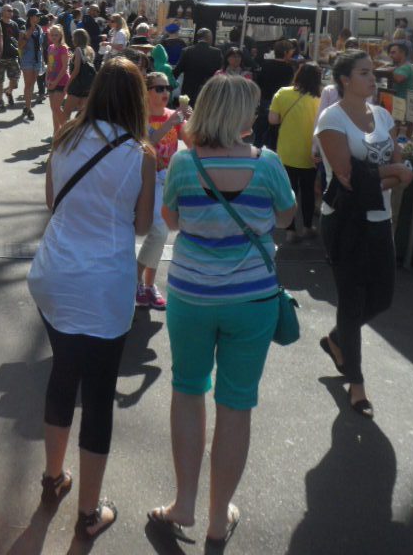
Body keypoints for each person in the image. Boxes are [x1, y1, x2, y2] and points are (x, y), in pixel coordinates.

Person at [148, 75, 296, 547]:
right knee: (236, 404)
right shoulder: (268, 164)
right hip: (252, 301)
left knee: (188, 391)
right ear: (237, 116)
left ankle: (184, 504)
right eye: (251, 108)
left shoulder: (185, 165)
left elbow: (171, 221)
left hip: (191, 296)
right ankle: (217, 517)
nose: (255, 116)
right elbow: (286, 217)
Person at [27, 58, 156, 541]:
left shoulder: (64, 138)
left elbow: (50, 201)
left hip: (54, 274)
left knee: (63, 373)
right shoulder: (139, 154)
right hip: (104, 284)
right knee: (99, 396)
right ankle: (87, 512)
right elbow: (142, 226)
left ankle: (53, 477)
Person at [314, 50, 413, 417]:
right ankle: (356, 383)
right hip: (345, 221)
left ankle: (338, 338)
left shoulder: (383, 115)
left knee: (383, 297)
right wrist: (393, 174)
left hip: (379, 218)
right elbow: (347, 176)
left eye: (373, 73)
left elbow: (397, 162)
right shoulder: (331, 118)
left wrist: (389, 172)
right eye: (364, 73)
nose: (373, 80)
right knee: (352, 300)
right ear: (344, 79)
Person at [137, 71, 190, 310]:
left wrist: (190, 120)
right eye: (158, 88)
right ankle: (134, 279)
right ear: (147, 92)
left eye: (167, 88)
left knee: (161, 232)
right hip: (145, 180)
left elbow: (192, 144)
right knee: (158, 230)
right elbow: (148, 142)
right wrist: (171, 123)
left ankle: (148, 286)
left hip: (168, 180)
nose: (165, 93)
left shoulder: (173, 116)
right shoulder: (140, 116)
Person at [269, 62, 322, 243]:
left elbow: (273, 120)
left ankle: (290, 230)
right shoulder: (320, 100)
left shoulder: (282, 93)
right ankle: (308, 226)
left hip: (287, 152)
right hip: (311, 154)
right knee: (307, 192)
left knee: (288, 192)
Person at [253, 39, 295, 147]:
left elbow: (259, 82)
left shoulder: (265, 65)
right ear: (285, 52)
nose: (292, 54)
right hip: (280, 102)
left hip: (265, 99)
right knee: (275, 131)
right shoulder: (289, 68)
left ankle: (257, 148)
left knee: (261, 129)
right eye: (291, 51)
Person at [172, 27, 223, 104]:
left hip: (188, 92)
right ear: (209, 38)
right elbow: (221, 72)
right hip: (208, 91)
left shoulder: (186, 51)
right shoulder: (216, 52)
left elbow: (177, 71)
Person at [0, 3, 22, 110]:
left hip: (12, 56)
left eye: (11, 11)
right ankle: (0, 100)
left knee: (15, 79)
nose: (10, 12)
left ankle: (8, 91)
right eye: (8, 10)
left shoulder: (14, 25)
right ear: (2, 12)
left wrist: (19, 48)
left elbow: (18, 40)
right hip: (0, 57)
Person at [64, 27, 96, 120]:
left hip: (76, 85)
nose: (72, 39)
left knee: (67, 112)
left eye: (73, 37)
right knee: (82, 113)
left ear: (77, 38)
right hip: (87, 86)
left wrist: (67, 84)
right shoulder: (90, 50)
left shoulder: (78, 50)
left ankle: (66, 133)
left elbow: (76, 70)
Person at [19, 8, 45, 121]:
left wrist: (43, 60)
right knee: (28, 84)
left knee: (32, 84)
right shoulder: (23, 29)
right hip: (27, 60)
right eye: (36, 15)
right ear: (30, 17)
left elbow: (40, 46)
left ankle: (26, 105)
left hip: (37, 60)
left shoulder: (40, 29)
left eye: (39, 16)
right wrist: (29, 31)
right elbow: (20, 45)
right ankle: (29, 108)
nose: (38, 17)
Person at [46, 24, 71, 136]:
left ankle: (67, 131)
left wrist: (55, 81)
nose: (54, 37)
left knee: (56, 107)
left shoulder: (63, 48)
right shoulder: (50, 47)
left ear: (60, 35)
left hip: (61, 81)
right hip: (51, 80)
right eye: (52, 35)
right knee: (53, 108)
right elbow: (49, 65)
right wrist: (47, 79)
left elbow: (65, 67)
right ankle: (56, 133)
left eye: (56, 35)